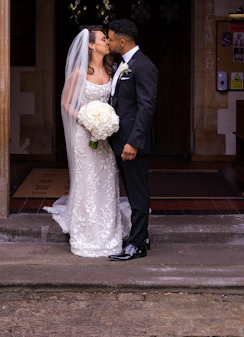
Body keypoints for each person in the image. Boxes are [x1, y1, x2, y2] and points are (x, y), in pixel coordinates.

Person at [44, 26, 130, 257]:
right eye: (103, 39)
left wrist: (106, 123)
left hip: (105, 136)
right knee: (87, 180)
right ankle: (87, 234)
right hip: (84, 135)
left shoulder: (112, 70)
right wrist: (86, 120)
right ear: (91, 45)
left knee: (107, 179)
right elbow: (66, 103)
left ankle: (109, 233)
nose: (107, 42)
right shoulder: (80, 72)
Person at [107, 19, 158, 261]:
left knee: (138, 194)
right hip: (122, 140)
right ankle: (142, 236)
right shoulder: (123, 64)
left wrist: (134, 142)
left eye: (110, 38)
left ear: (122, 40)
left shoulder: (143, 66)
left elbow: (146, 108)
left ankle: (136, 245)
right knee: (133, 191)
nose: (108, 42)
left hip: (133, 142)